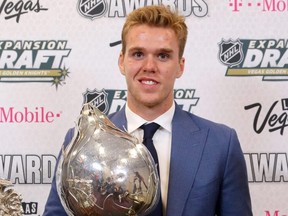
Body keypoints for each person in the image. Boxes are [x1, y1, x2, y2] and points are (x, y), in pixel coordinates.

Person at [43, 5, 253, 216]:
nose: (149, 66)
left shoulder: (220, 144)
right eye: (138, 54)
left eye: (163, 56)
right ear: (122, 61)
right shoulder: (83, 142)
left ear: (180, 66)